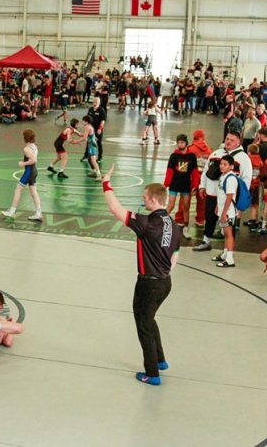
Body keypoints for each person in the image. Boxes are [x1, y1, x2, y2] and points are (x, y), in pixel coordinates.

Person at [102, 164, 181, 386]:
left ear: (154, 200)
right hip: (165, 282)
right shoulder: (174, 226)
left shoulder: (147, 224)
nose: (143, 200)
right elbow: (175, 255)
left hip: (149, 284)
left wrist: (106, 184)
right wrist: (163, 272)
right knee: (150, 318)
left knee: (143, 326)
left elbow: (116, 209)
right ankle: (160, 359)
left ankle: (152, 373)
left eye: (145, 197)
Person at [193, 132, 252, 252]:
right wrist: (202, 186)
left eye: (232, 140)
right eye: (227, 139)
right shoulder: (216, 153)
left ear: (238, 142)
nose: (228, 141)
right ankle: (206, 241)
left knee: (228, 224)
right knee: (209, 218)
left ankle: (227, 251)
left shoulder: (244, 158)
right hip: (212, 194)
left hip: (229, 198)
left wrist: (239, 197)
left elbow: (246, 180)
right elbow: (205, 171)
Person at [2, 129, 43, 222]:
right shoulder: (34, 146)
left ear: (25, 138)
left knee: (18, 189)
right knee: (33, 192)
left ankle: (12, 211)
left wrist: (23, 163)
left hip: (29, 172)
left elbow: (33, 160)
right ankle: (38, 213)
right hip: (34, 171)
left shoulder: (26, 149)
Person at [164, 134, 199, 239]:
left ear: (186, 143)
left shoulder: (192, 156)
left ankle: (186, 228)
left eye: (182, 142)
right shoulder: (173, 156)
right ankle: (161, 223)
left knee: (186, 207)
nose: (180, 144)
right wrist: (165, 184)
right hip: (174, 184)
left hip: (186, 185)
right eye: (178, 142)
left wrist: (195, 186)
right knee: (170, 205)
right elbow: (169, 171)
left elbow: (195, 172)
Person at [212, 155, 238, 268]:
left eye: (225, 164)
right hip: (223, 210)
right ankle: (225, 254)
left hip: (228, 212)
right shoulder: (223, 176)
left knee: (229, 233)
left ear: (231, 166)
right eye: (221, 164)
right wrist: (218, 206)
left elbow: (229, 197)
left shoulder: (231, 178)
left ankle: (230, 259)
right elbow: (221, 194)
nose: (222, 166)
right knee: (225, 233)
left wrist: (224, 213)